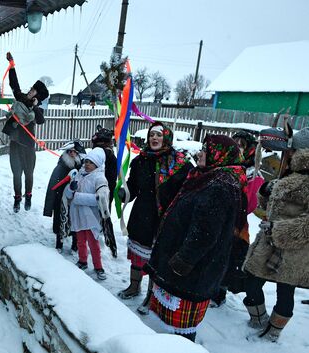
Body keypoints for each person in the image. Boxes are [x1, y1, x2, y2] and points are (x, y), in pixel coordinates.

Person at [144, 134, 246, 342]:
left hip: (192, 270)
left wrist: (183, 261)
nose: (200, 153)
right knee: (174, 322)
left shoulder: (219, 186)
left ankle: (183, 346)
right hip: (186, 262)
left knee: (182, 327)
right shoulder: (209, 176)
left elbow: (205, 233)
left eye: (206, 151)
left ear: (219, 156)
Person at [242, 127, 309, 342]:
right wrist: (266, 191)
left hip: (294, 249)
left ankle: (273, 332)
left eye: (292, 150)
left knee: (285, 292)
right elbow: (272, 206)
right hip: (269, 243)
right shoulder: (289, 173)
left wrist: (277, 229)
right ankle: (259, 318)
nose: (287, 153)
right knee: (251, 284)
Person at [117, 122, 192, 315]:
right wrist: (125, 193)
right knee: (137, 255)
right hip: (142, 214)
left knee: (155, 258)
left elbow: (186, 192)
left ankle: (151, 295)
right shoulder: (140, 160)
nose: (154, 138)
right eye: (152, 135)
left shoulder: (180, 163)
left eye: (159, 135)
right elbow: (133, 186)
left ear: (166, 137)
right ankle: (134, 286)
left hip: (164, 218)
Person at [210, 130, 258, 306]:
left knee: (228, 257)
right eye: (235, 143)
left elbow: (251, 202)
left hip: (236, 223)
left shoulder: (252, 171)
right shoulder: (223, 164)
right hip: (220, 218)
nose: (237, 147)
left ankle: (219, 292)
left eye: (241, 145)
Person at [2, 52, 49, 213]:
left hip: (28, 147)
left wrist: (35, 106)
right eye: (31, 88)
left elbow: (41, 120)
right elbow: (14, 84)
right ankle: (17, 199)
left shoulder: (37, 110)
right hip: (15, 144)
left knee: (28, 174)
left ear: (38, 96)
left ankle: (28, 196)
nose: (30, 91)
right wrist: (12, 66)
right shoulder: (20, 98)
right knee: (16, 174)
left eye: (34, 90)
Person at [64, 147, 110, 280]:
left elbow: (99, 199)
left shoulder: (100, 178)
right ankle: (82, 261)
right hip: (78, 215)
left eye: (91, 162)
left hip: (90, 217)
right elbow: (69, 195)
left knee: (93, 243)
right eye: (87, 161)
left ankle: (98, 267)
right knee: (80, 241)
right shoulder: (79, 174)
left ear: (98, 164)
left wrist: (77, 197)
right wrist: (71, 189)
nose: (87, 164)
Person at [43, 140, 85, 253]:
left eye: (75, 152)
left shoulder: (81, 166)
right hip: (60, 199)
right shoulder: (61, 167)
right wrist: (49, 207)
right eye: (70, 151)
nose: (72, 154)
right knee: (60, 221)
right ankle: (59, 243)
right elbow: (52, 186)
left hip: (75, 199)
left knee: (75, 221)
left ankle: (75, 244)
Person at [91, 125, 118, 258]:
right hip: (105, 189)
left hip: (103, 189)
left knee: (103, 215)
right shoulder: (107, 155)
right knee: (105, 214)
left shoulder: (103, 155)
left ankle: (110, 244)